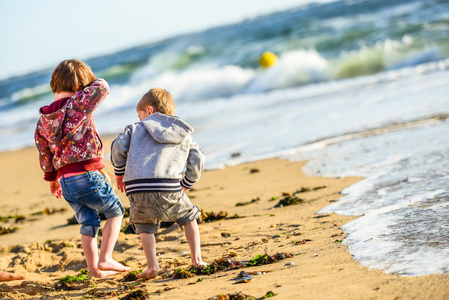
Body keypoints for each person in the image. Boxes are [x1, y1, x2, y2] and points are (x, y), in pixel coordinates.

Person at [34, 59, 130, 278]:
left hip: (66, 181)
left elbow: (44, 151)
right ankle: (105, 258)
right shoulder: (78, 104)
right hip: (87, 175)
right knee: (115, 212)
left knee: (88, 222)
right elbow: (103, 86)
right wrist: (87, 84)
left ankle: (94, 270)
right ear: (79, 88)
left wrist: (53, 178)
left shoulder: (43, 120)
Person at [111, 88, 206, 279]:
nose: (140, 120)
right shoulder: (182, 133)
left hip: (137, 188)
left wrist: (119, 173)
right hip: (169, 186)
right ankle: (197, 260)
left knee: (144, 226)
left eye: (140, 116)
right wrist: (188, 181)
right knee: (189, 218)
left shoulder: (134, 128)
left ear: (149, 110)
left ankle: (152, 266)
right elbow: (197, 159)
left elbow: (117, 148)